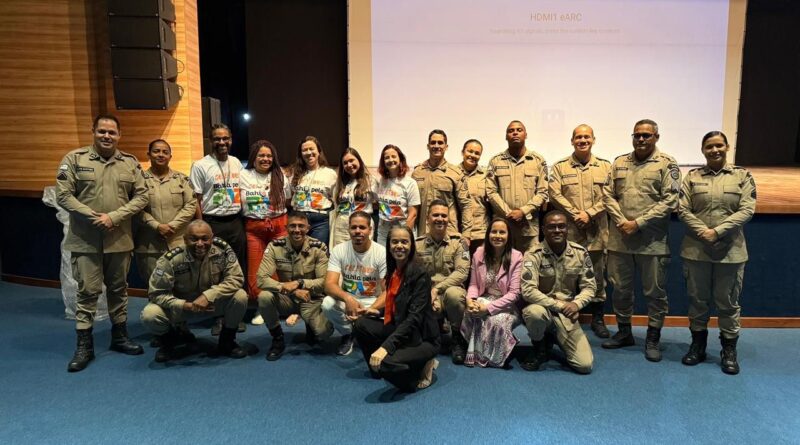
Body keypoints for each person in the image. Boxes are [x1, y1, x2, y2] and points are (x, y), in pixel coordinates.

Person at [56, 114, 148, 372]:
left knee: (119, 289)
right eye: (102, 131)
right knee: (87, 292)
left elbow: (141, 196)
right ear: (93, 132)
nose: (107, 136)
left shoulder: (130, 163)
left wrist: (114, 217)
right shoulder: (74, 160)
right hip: (86, 240)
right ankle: (85, 345)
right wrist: (93, 216)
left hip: (119, 239)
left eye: (112, 132)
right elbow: (63, 195)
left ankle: (119, 336)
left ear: (119, 135)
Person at [601, 119, 680, 362]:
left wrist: (638, 223)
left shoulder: (667, 164)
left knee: (654, 292)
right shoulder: (619, 162)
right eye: (637, 135)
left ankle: (653, 337)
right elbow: (607, 194)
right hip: (620, 239)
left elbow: (670, 200)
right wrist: (622, 221)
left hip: (651, 241)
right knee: (621, 289)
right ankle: (624, 332)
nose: (641, 139)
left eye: (646, 135)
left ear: (656, 137)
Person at [678, 131, 755, 375]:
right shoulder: (691, 177)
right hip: (696, 250)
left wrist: (718, 232)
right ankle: (697, 346)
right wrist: (705, 232)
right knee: (697, 301)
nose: (715, 150)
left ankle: (728, 350)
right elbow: (682, 209)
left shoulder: (742, 176)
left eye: (719, 145)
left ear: (727, 147)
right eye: (709, 146)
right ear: (703, 150)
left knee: (728, 303)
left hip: (730, 252)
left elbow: (747, 209)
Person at [140, 220, 249, 362]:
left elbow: (236, 278)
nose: (200, 244)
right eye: (194, 239)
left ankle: (227, 341)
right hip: (182, 308)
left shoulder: (222, 250)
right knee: (150, 314)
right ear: (185, 239)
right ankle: (170, 341)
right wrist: (185, 305)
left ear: (212, 237)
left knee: (240, 296)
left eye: (205, 238)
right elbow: (156, 293)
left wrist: (208, 296)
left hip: (212, 305)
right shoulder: (171, 259)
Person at [353, 223, 440, 392]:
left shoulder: (420, 274)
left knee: (389, 365)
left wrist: (385, 348)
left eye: (404, 242)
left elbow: (414, 318)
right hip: (402, 328)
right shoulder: (393, 269)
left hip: (422, 338)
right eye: (395, 242)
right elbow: (397, 304)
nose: (399, 246)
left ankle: (425, 364)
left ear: (411, 245)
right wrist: (377, 311)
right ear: (389, 245)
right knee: (361, 324)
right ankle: (379, 368)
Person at [548, 124, 612, 338]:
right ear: (572, 140)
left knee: (597, 277)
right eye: (578, 137)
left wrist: (590, 213)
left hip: (597, 233)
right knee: (566, 275)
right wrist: (576, 213)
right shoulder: (560, 167)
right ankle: (565, 315)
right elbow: (554, 194)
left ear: (594, 139)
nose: (582, 140)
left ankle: (598, 319)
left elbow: (611, 196)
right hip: (568, 233)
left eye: (587, 137)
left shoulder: (605, 167)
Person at [520, 210, 596, 374]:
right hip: (544, 310)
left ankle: (554, 337)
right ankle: (540, 347)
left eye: (561, 226)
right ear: (543, 229)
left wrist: (576, 303)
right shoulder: (533, 254)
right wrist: (561, 306)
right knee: (534, 313)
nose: (557, 230)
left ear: (567, 228)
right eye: (551, 227)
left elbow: (590, 287)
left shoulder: (579, 253)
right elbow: (528, 291)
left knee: (584, 366)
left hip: (567, 316)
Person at [188, 123, 247, 335]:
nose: (221, 142)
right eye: (217, 139)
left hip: (235, 221)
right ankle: (219, 316)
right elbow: (196, 199)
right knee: (216, 270)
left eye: (225, 138)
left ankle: (236, 314)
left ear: (231, 139)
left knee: (237, 267)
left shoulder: (237, 162)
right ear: (210, 141)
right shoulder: (200, 165)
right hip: (213, 223)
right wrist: (201, 226)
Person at [256, 212, 333, 361]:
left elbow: (324, 281)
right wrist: (288, 289)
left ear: (308, 228)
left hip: (311, 298)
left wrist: (300, 283)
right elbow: (261, 279)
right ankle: (277, 338)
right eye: (293, 226)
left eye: (301, 226)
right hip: (286, 298)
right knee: (264, 297)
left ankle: (311, 327)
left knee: (323, 333)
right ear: (286, 228)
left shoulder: (318, 247)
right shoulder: (275, 246)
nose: (297, 230)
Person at [239, 139, 290, 324]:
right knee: (256, 269)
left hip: (278, 226)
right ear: (254, 157)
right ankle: (262, 307)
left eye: (269, 155)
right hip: (254, 228)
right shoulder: (243, 175)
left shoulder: (281, 175)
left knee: (280, 267)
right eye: (261, 155)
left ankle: (280, 305)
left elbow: (288, 200)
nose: (265, 159)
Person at [461, 217, 523, 368]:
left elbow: (514, 293)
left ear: (508, 236)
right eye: (494, 231)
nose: (497, 235)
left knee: (496, 321)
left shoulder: (516, 257)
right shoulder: (478, 253)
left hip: (507, 304)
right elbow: (474, 284)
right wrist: (471, 301)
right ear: (488, 234)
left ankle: (497, 355)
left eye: (502, 232)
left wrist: (488, 308)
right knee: (471, 312)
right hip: (484, 298)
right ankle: (476, 353)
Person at [323, 211, 387, 356]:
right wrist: (347, 298)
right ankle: (348, 334)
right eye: (354, 227)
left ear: (370, 230)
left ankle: (364, 328)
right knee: (327, 303)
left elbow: (387, 291)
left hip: (373, 301)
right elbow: (329, 285)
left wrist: (370, 310)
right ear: (349, 229)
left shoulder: (382, 252)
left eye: (362, 227)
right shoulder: (339, 250)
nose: (357, 231)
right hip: (350, 300)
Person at [134, 139, 196, 285]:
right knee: (153, 286)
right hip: (149, 246)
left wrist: (172, 226)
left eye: (165, 152)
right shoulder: (138, 181)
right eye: (156, 151)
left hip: (178, 243)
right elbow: (134, 207)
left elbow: (191, 205)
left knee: (182, 286)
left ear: (170, 156)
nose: (160, 155)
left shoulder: (182, 179)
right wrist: (156, 226)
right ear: (149, 154)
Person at [415, 200, 469, 363]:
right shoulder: (417, 245)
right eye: (436, 215)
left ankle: (457, 338)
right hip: (428, 293)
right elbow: (414, 275)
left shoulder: (458, 243)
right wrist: (428, 292)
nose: (440, 219)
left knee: (454, 295)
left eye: (444, 215)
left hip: (449, 291)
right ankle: (435, 328)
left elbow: (462, 272)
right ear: (427, 218)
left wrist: (437, 289)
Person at [486, 120, 548, 253]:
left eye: (519, 130)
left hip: (528, 228)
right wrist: (509, 213)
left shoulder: (538, 160)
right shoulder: (495, 161)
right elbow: (491, 192)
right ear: (506, 136)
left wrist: (523, 211)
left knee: (528, 267)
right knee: (501, 266)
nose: (515, 132)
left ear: (526, 135)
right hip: (502, 228)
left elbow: (542, 192)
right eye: (511, 130)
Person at [411, 129, 473, 244]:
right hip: (423, 235)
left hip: (448, 236)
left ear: (446, 146)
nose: (436, 146)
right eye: (433, 142)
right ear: (428, 146)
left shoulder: (455, 173)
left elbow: (466, 205)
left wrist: (466, 235)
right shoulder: (417, 172)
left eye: (440, 143)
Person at [289, 136, 337, 246]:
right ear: (301, 154)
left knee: (317, 253)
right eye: (304, 150)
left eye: (312, 149)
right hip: (299, 220)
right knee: (299, 253)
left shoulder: (330, 174)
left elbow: (335, 199)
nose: (308, 152)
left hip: (320, 221)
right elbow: (291, 196)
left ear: (319, 151)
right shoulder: (294, 173)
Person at [375, 144, 420, 245]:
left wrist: (403, 236)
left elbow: (413, 214)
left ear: (400, 159)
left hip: (403, 231)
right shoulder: (382, 181)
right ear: (383, 162)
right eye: (387, 157)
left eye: (394, 156)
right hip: (383, 233)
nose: (390, 160)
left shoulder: (410, 183)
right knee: (383, 260)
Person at [332, 147, 377, 247]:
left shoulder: (371, 181)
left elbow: (379, 203)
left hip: (362, 225)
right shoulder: (340, 183)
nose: (349, 165)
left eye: (351, 160)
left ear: (359, 160)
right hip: (342, 225)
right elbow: (336, 204)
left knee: (362, 256)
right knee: (342, 256)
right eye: (345, 163)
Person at [457, 139, 490, 254]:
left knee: (480, 270)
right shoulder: (453, 174)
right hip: (458, 233)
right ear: (463, 152)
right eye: (470, 151)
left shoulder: (486, 176)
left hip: (481, 234)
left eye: (477, 153)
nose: (473, 155)